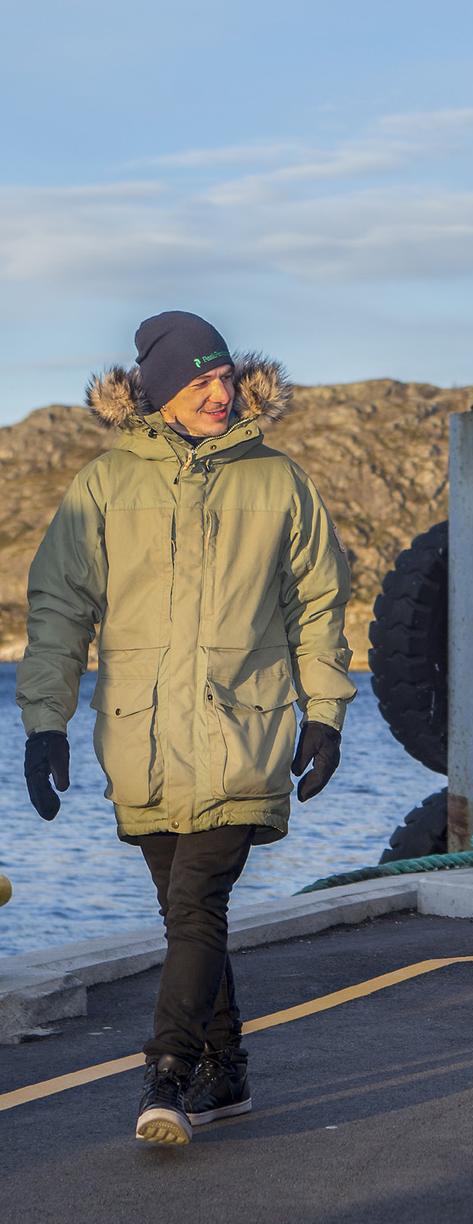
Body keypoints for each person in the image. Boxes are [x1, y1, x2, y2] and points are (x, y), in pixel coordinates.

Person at [17, 311, 355, 1147]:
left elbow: (318, 605)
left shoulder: (279, 481)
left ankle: (166, 1074)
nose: (221, 393)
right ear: (161, 393)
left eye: (227, 376)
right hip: (142, 739)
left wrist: (325, 715)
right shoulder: (103, 485)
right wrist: (44, 723)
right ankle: (227, 1066)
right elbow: (61, 609)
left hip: (245, 733)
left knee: (197, 903)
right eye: (201, 381)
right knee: (186, 915)